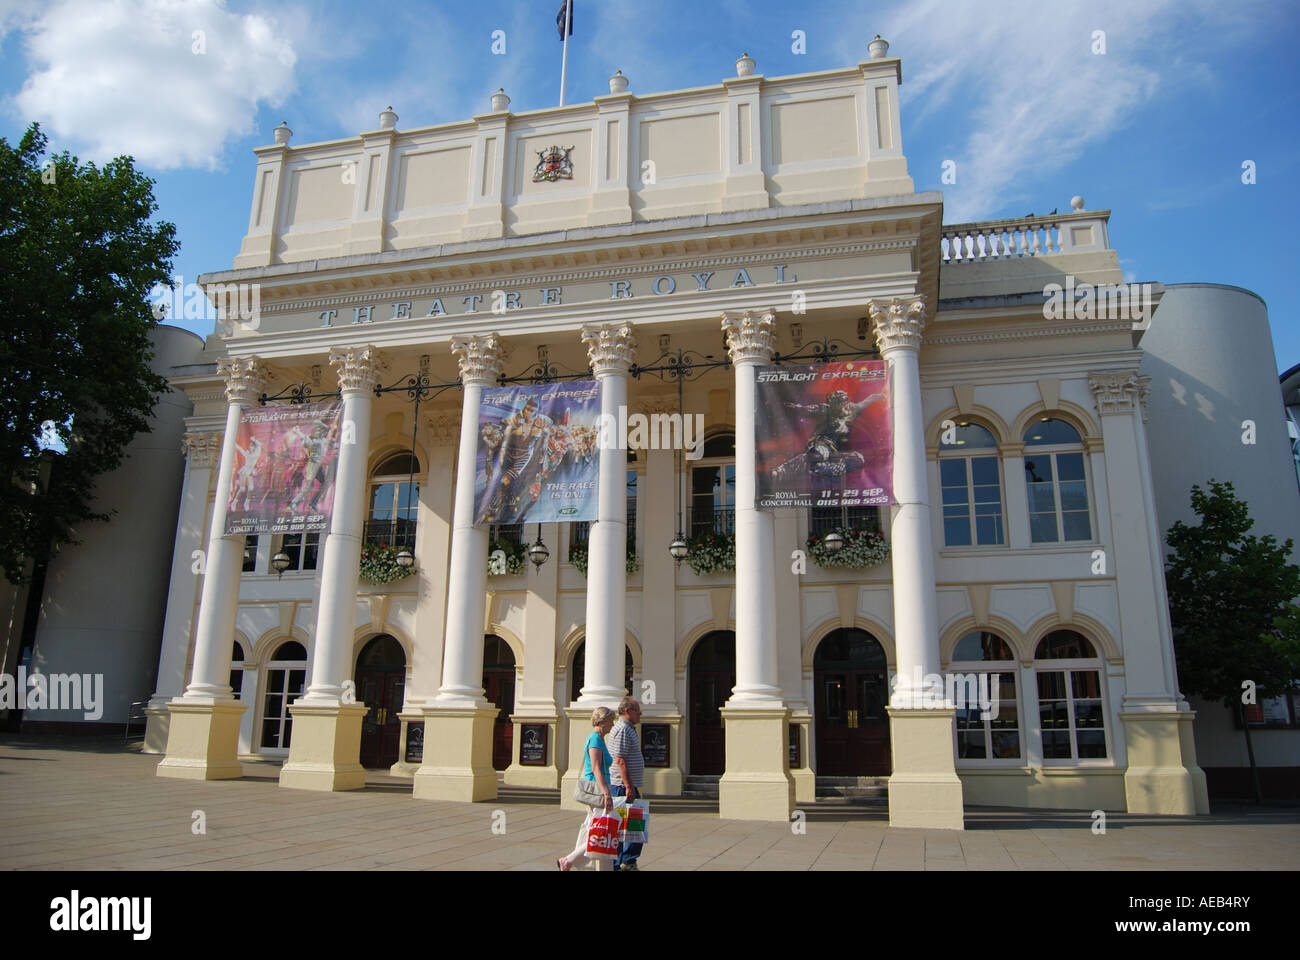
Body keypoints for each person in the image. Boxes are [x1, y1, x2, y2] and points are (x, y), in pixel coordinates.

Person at [558, 706, 615, 872]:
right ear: (603, 721)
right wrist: (606, 793)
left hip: (600, 788)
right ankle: (568, 860)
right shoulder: (595, 739)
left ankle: (587, 864)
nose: (613, 724)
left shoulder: (599, 738)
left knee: (596, 828)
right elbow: (596, 768)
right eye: (611, 721)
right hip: (596, 789)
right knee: (602, 830)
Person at [607, 696, 645, 871]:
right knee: (629, 826)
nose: (641, 714)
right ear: (628, 711)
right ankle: (626, 861)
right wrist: (629, 786)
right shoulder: (622, 729)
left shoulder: (627, 728)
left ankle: (626, 860)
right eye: (638, 710)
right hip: (623, 787)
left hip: (627, 786)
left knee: (634, 825)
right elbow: (620, 760)